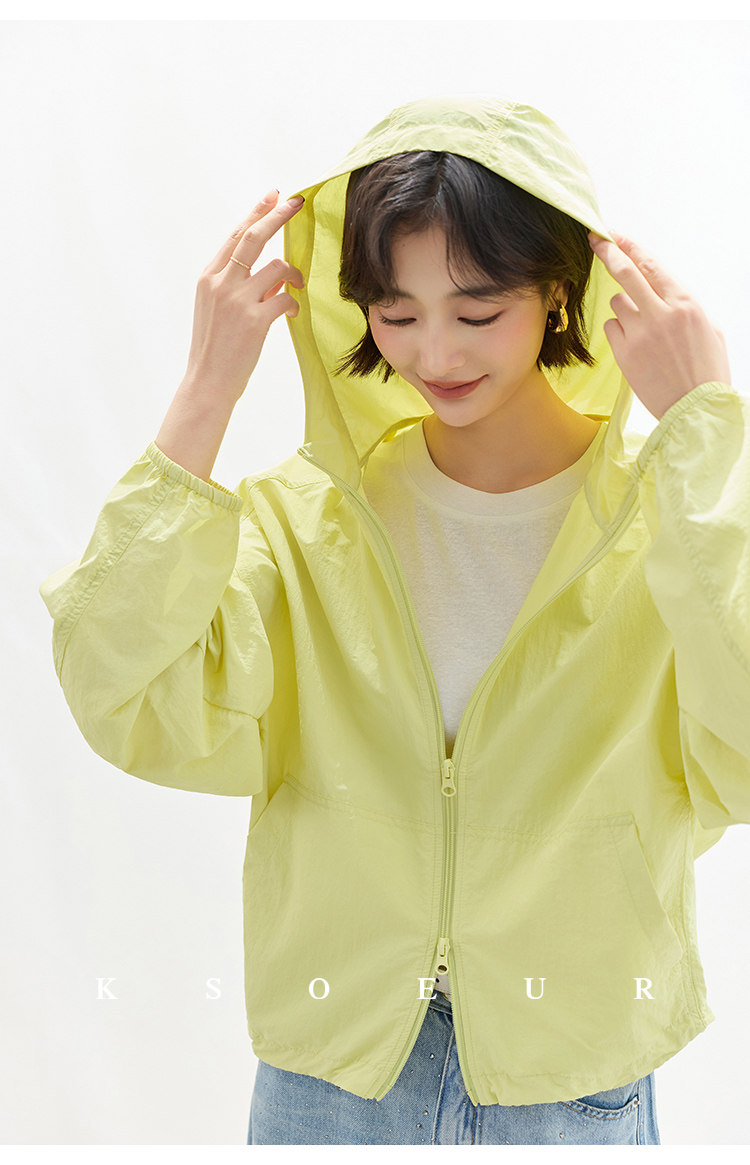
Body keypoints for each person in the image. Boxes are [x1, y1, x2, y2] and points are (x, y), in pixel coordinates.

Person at [39, 94, 745, 1146]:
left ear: (559, 292)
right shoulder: (305, 522)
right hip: (335, 1073)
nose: (435, 352)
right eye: (397, 312)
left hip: (569, 1072)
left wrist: (704, 431)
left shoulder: (669, 517)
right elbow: (117, 689)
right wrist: (204, 393)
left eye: (477, 310)